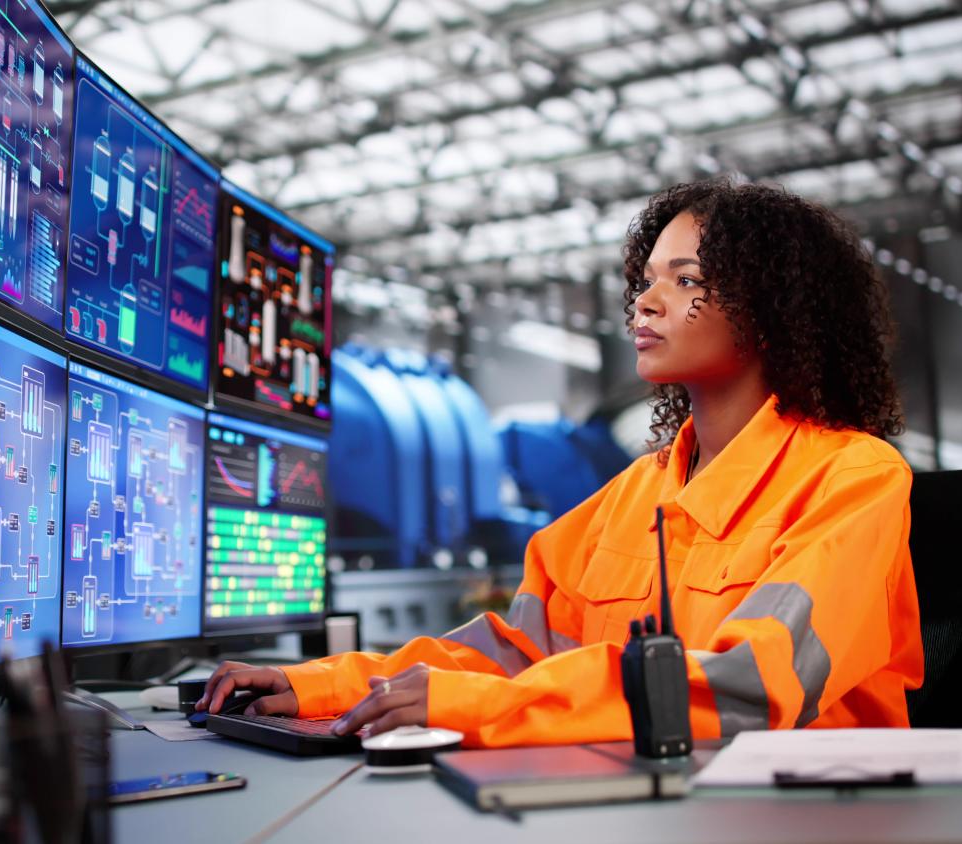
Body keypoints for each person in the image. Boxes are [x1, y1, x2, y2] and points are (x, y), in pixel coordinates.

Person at [198, 179, 923, 747]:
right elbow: (512, 654)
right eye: (643, 282)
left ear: (772, 310)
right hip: (640, 802)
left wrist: (484, 708)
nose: (645, 303)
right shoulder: (634, 497)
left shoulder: (852, 479)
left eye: (686, 280)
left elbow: (750, 686)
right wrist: (323, 686)